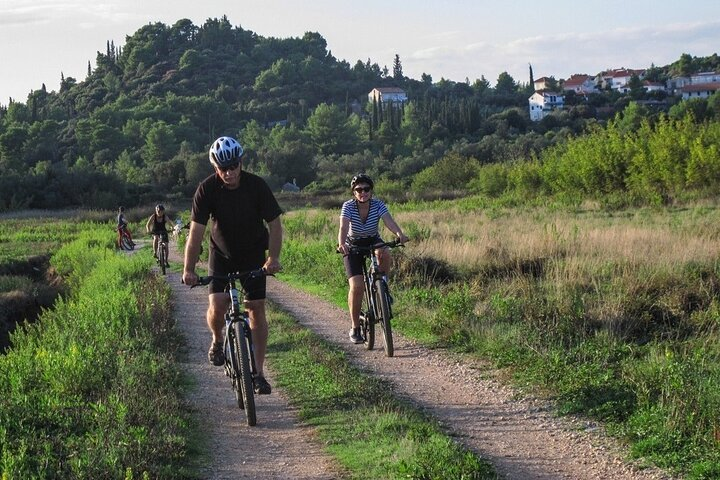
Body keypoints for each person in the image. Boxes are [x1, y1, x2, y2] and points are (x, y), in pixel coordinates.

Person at [182, 136, 283, 395]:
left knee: (256, 309)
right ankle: (217, 340)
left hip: (253, 253)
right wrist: (188, 269)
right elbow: (195, 234)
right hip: (222, 254)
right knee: (218, 304)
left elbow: (274, 225)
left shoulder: (256, 186)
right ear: (216, 167)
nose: (230, 172)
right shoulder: (206, 190)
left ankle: (258, 374)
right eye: (223, 168)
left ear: (241, 162)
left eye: (234, 166)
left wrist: (273, 258)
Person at [337, 173, 409, 344]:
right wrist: (341, 244)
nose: (363, 192)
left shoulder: (378, 205)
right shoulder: (348, 206)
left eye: (366, 189)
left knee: (384, 251)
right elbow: (343, 226)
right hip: (352, 244)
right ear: (354, 192)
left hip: (372, 239)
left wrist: (400, 234)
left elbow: (388, 221)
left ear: (371, 191)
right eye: (359, 189)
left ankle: (382, 285)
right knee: (357, 286)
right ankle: (355, 328)